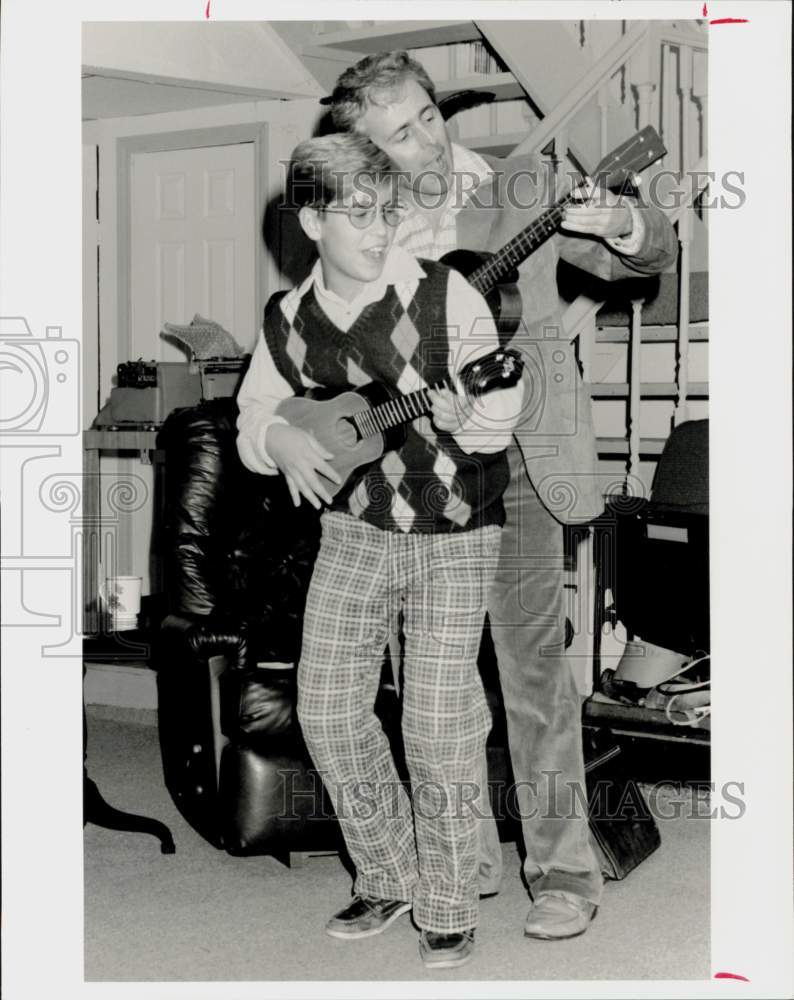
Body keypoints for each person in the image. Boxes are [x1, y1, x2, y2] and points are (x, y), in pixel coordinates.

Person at [326, 50, 679, 941]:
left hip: (515, 462)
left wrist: (627, 226)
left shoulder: (523, 189)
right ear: (365, 150)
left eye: (429, 115)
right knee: (430, 680)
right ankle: (461, 862)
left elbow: (647, 262)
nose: (428, 139)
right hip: (415, 471)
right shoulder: (362, 224)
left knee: (530, 670)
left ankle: (563, 874)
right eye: (400, 133)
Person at [236, 132, 523, 969]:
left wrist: (476, 410)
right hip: (354, 527)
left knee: (435, 723)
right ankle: (389, 871)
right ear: (314, 218)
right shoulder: (288, 320)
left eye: (389, 212)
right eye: (358, 214)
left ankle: (446, 899)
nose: (379, 230)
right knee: (326, 711)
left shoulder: (449, 298)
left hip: (454, 528)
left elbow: (495, 413)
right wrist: (278, 443)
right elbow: (259, 414)